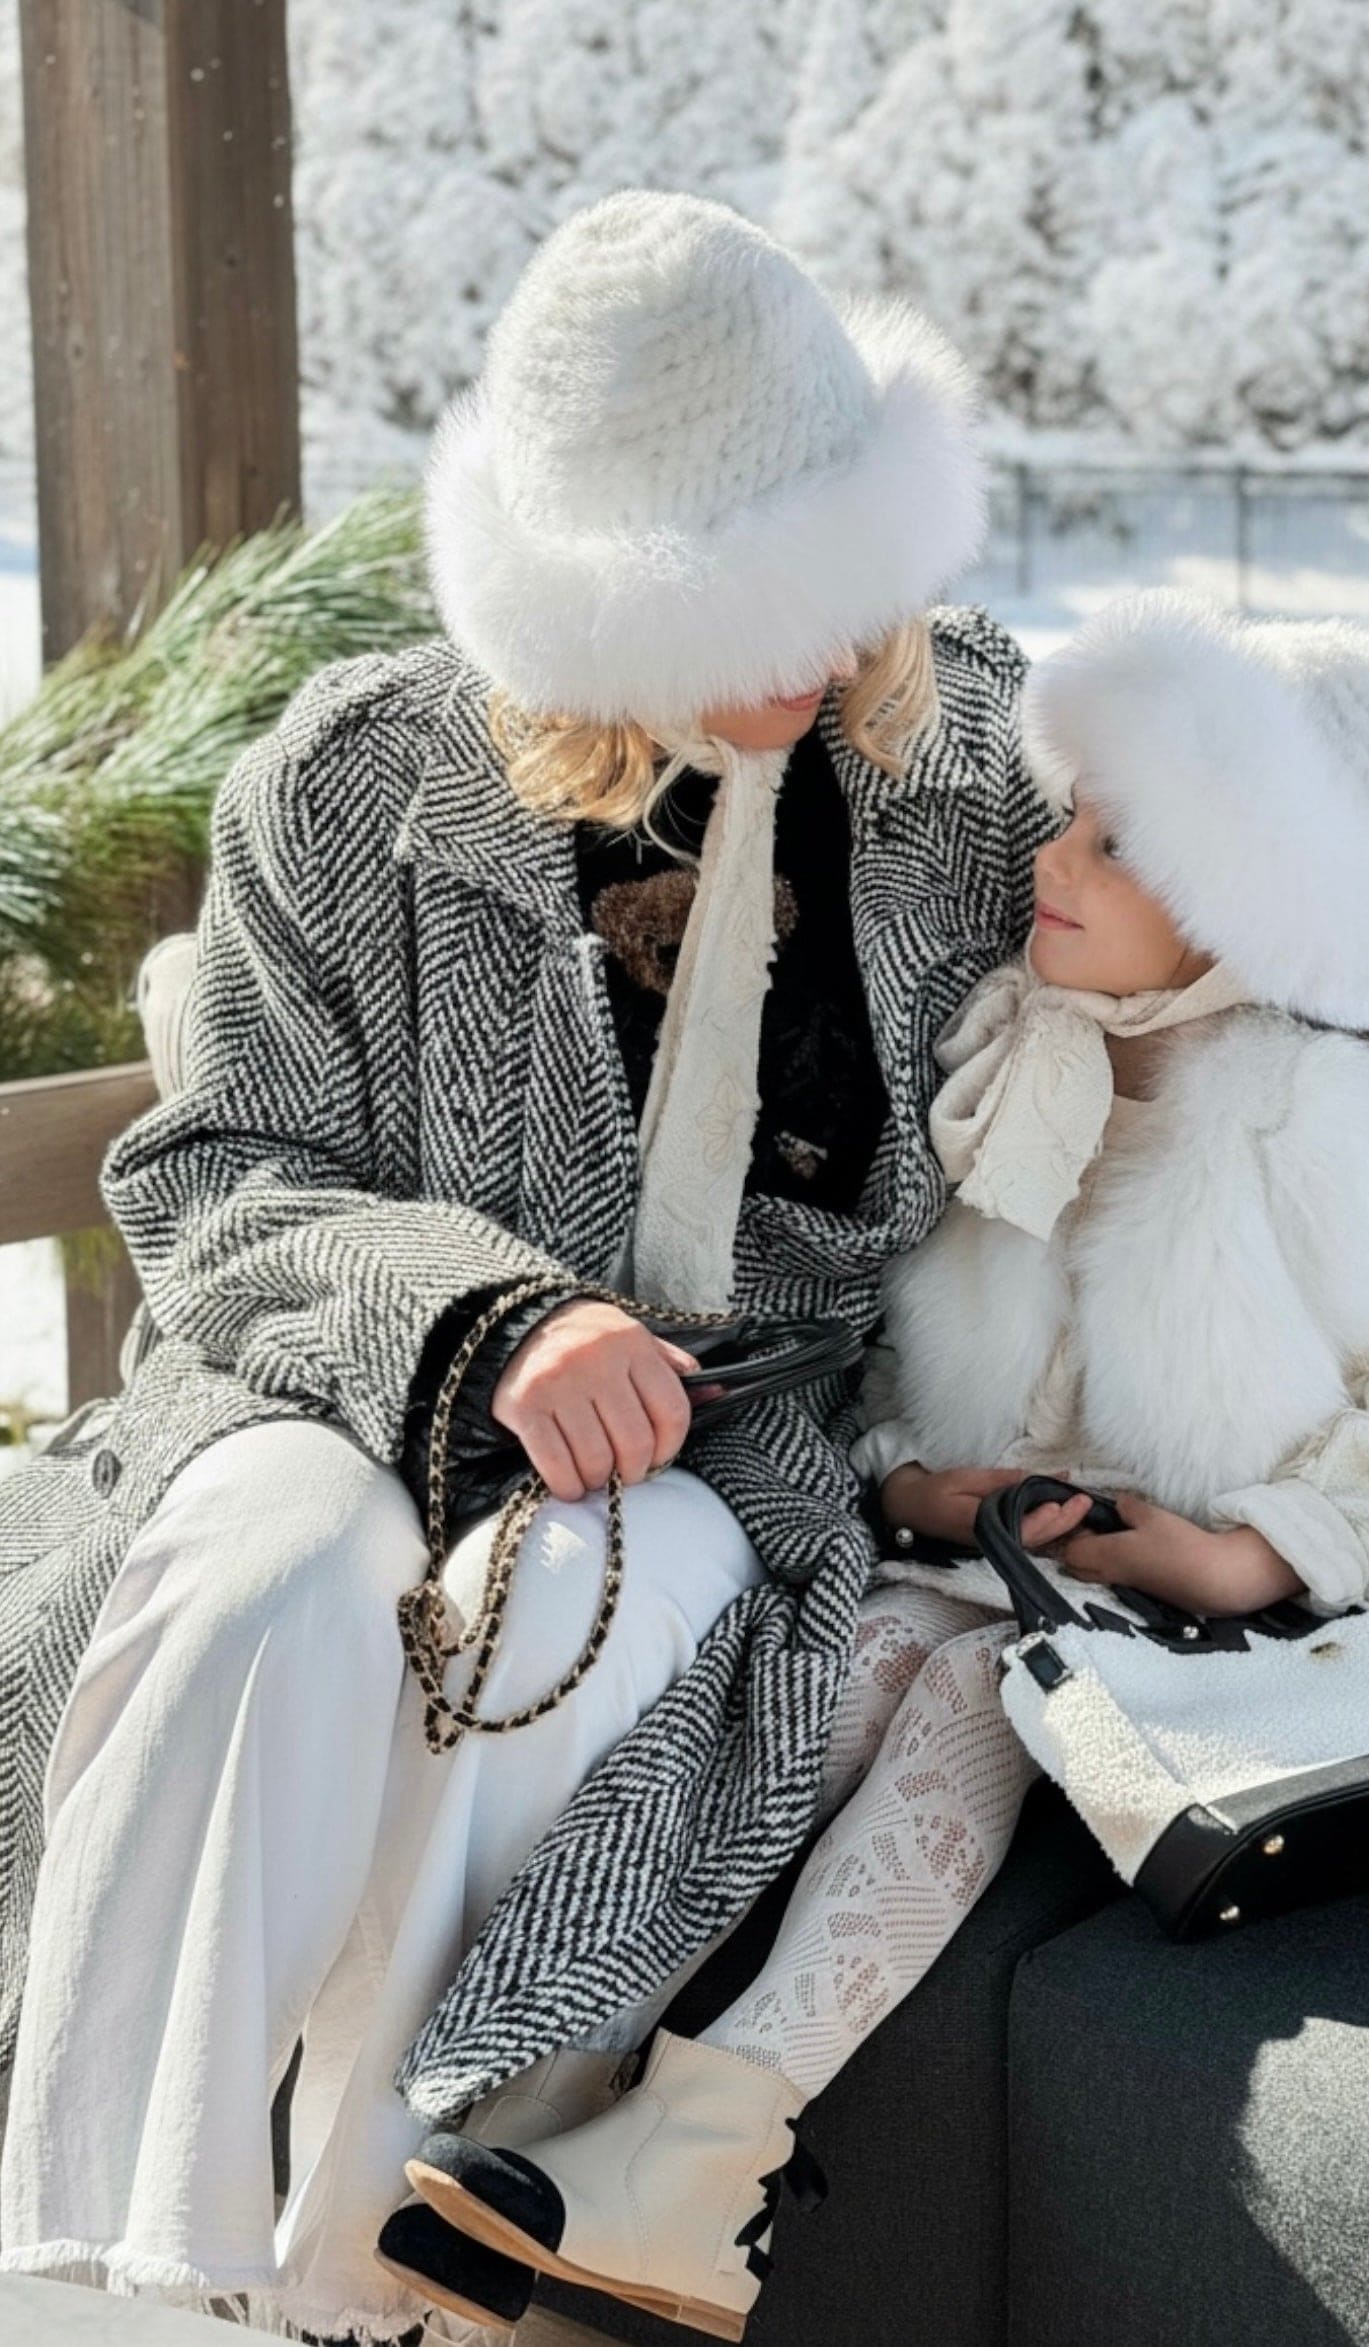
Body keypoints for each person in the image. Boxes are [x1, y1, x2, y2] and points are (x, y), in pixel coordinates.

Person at [0, 188, 1031, 2343]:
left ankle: (356, 2290)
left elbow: (1236, 1007)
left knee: (550, 1605)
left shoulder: (973, 781)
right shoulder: (351, 782)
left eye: (831, 589)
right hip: (330, 1385)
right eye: (712, 610)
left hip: (728, 1449)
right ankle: (93, 2273)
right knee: (260, 1577)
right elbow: (218, 1173)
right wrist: (487, 1319)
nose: (791, 659)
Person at [398, 590, 1369, 2344]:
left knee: (972, 1688)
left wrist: (1233, 1557)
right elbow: (905, 1365)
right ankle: (542, 2082)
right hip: (1024, 1571)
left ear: (1247, 899)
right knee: (850, 1654)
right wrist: (919, 1494)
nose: (1054, 856)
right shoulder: (1015, 1065)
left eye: (1120, 841)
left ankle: (704, 2157)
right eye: (1071, 810)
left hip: (1292, 1629)